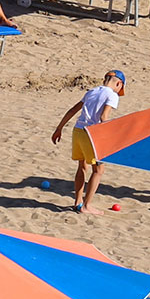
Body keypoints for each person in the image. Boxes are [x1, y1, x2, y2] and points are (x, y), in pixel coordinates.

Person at [49, 70, 125, 214]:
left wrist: (59, 128)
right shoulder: (112, 95)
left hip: (78, 131)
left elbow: (73, 110)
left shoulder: (92, 91)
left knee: (82, 167)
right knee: (98, 170)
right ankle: (86, 206)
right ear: (118, 83)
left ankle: (77, 202)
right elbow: (104, 117)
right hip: (92, 134)